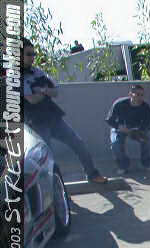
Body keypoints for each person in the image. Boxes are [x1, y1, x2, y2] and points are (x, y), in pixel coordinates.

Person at [22, 38, 108, 184]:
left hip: (53, 117)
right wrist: (45, 92)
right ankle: (51, 187)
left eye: (33, 54)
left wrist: (41, 91)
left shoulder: (38, 72)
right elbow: (31, 99)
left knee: (78, 143)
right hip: (36, 123)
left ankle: (92, 174)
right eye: (29, 54)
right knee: (46, 157)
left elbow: (55, 91)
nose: (32, 57)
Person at [105, 84, 150, 174]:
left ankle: (146, 163)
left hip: (136, 129)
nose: (140, 98)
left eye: (142, 95)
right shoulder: (119, 104)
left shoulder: (145, 107)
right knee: (115, 144)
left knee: (146, 141)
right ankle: (123, 165)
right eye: (137, 95)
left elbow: (147, 124)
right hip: (120, 128)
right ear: (130, 94)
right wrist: (119, 127)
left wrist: (138, 130)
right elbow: (109, 120)